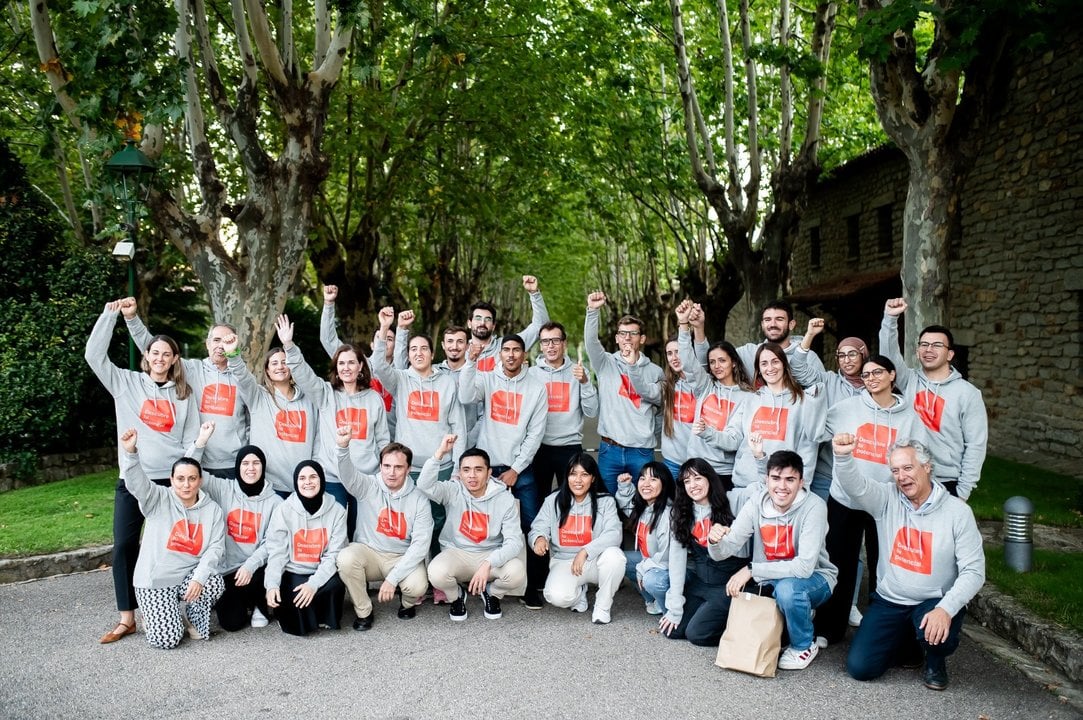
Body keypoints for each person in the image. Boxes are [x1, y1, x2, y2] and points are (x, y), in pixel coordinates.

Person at [85, 300, 202, 644]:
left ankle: (182, 608)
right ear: (146, 357)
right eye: (155, 353)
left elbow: (191, 440)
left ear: (174, 360)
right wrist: (110, 316)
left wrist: (186, 478)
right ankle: (127, 618)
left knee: (175, 546)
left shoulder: (184, 394)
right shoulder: (126, 384)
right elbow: (94, 356)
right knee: (123, 545)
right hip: (134, 481)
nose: (160, 358)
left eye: (167, 354)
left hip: (170, 485)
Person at [833, 435, 985, 691]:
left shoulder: (957, 512)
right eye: (895, 470)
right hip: (890, 601)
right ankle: (908, 645)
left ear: (927, 467)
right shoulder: (886, 499)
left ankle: (935, 661)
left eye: (907, 468)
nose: (901, 476)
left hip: (933, 602)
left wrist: (946, 608)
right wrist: (843, 456)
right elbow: (856, 487)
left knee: (934, 634)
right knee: (861, 668)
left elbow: (974, 571)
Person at [813, 354, 930, 644]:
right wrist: (814, 405)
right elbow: (815, 433)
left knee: (885, 565)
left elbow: (921, 456)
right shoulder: (845, 409)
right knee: (839, 562)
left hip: (888, 502)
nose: (871, 378)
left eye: (877, 372)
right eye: (865, 375)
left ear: (892, 375)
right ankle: (829, 628)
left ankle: (883, 632)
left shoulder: (909, 417)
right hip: (846, 498)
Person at [707, 451, 837, 671]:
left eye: (790, 479)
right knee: (701, 630)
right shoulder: (757, 502)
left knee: (789, 591)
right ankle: (799, 614)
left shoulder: (814, 506)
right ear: (766, 480)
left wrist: (751, 570)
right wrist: (714, 540)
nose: (782, 486)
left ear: (801, 482)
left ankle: (804, 645)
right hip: (768, 579)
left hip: (814, 578)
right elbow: (726, 548)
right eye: (776, 478)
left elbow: (804, 568)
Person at [118, 428, 225, 649]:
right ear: (172, 480)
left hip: (187, 577)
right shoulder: (157, 498)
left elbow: (215, 548)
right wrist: (131, 454)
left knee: (214, 581)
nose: (186, 485)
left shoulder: (212, 509)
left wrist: (199, 578)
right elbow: (137, 483)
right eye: (181, 479)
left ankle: (191, 619)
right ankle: (157, 615)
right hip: (155, 581)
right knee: (167, 640)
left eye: (192, 479)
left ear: (200, 480)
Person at [121, 298, 249, 478]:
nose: (220, 346)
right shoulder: (192, 370)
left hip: (235, 462)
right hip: (200, 461)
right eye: (216, 340)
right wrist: (132, 318)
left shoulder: (242, 376)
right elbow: (157, 349)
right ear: (207, 344)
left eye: (227, 341)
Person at [276, 313, 389, 516]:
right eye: (341, 364)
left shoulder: (374, 399)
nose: (346, 368)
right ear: (336, 368)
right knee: (333, 531)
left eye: (351, 363)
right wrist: (289, 346)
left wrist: (382, 474)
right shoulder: (325, 393)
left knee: (360, 533)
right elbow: (304, 374)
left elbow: (382, 440)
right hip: (331, 477)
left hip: (365, 477)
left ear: (360, 366)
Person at [522, 321, 599, 609]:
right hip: (538, 449)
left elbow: (592, 411)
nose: (550, 346)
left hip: (569, 448)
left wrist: (585, 383)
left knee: (573, 510)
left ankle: (578, 574)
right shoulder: (531, 374)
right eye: (545, 341)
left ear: (564, 343)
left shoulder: (577, 372)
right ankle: (536, 581)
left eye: (555, 340)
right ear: (540, 345)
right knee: (537, 515)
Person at [879, 298, 988, 499]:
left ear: (950, 354)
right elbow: (888, 357)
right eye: (924, 345)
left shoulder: (968, 393)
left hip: (946, 481)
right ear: (918, 350)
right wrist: (890, 319)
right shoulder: (909, 379)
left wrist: (963, 490)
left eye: (937, 345)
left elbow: (976, 445)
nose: (929, 350)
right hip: (907, 476)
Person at [334, 429, 434, 630]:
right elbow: (347, 476)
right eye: (386, 466)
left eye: (398, 467)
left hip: (400, 556)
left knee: (417, 586)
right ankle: (364, 611)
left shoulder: (419, 500)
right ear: (380, 466)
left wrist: (392, 579)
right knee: (345, 558)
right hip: (369, 552)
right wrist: (342, 448)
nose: (391, 472)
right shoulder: (369, 486)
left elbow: (420, 545)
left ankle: (406, 604)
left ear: (408, 469)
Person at [417, 438, 526, 622]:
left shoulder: (504, 498)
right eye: (466, 470)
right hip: (457, 552)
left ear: (489, 472)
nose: (472, 476)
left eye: (478, 469)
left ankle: (492, 593)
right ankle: (457, 596)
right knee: (436, 572)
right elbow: (424, 486)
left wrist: (488, 563)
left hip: (490, 554)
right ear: (459, 473)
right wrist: (439, 454)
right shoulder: (453, 490)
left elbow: (514, 541)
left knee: (516, 572)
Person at [457, 333, 547, 534]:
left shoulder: (536, 388)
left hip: (521, 470)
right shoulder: (488, 379)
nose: (511, 355)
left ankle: (535, 567)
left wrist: (515, 469)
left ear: (524, 355)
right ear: (500, 354)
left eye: (516, 350)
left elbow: (535, 434)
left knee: (531, 525)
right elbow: (465, 396)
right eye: (506, 350)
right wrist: (471, 361)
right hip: (487, 469)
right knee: (489, 528)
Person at [660, 459, 749, 646]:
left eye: (698, 478)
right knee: (674, 631)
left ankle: (742, 627)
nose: (693, 485)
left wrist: (759, 458)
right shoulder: (682, 513)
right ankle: (713, 616)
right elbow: (677, 561)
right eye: (687, 481)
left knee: (697, 634)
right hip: (701, 583)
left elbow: (759, 490)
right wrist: (675, 607)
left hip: (728, 584)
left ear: (710, 479)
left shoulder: (733, 501)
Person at [528, 454, 626, 624]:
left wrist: (585, 551)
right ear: (566, 476)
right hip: (564, 561)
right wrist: (539, 539)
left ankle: (602, 606)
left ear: (593, 478)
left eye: (584, 474)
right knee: (555, 596)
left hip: (596, 561)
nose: (578, 480)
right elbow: (538, 527)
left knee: (615, 557)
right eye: (573, 474)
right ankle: (579, 593)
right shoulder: (554, 500)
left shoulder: (605, 501)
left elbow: (614, 533)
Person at [583, 291, 664, 494]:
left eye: (633, 333)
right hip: (610, 449)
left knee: (644, 503)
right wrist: (593, 311)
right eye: (622, 333)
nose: (627, 337)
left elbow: (658, 400)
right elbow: (591, 343)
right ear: (617, 338)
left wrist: (647, 434)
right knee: (608, 503)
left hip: (641, 451)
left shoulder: (655, 371)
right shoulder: (605, 363)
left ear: (642, 339)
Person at [713, 343, 826, 487]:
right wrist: (707, 433)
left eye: (775, 362)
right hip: (745, 483)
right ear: (759, 370)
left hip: (782, 487)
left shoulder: (802, 401)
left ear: (784, 365)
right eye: (764, 363)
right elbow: (733, 437)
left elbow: (808, 448)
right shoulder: (750, 399)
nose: (770, 368)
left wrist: (802, 487)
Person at [201, 440, 283, 632]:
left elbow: (271, 543)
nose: (251, 468)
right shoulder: (224, 489)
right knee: (232, 623)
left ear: (263, 467)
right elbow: (194, 468)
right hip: (229, 570)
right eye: (245, 463)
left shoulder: (275, 502)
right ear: (238, 467)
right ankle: (243, 601)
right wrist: (201, 442)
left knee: (271, 565)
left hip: (256, 569)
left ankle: (259, 604)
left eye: (256, 463)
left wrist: (250, 566)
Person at [371, 307, 466, 474]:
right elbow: (378, 366)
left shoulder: (447, 382)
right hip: (407, 467)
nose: (419, 353)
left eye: (424, 349)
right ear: (408, 355)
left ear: (432, 353)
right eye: (413, 349)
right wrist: (384, 327)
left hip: (441, 467)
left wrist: (457, 469)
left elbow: (458, 427)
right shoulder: (400, 380)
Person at [224, 332, 317, 495]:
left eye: (284, 362)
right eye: (274, 363)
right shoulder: (258, 396)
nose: (280, 366)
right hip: (270, 486)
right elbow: (242, 377)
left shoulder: (309, 400)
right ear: (267, 370)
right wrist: (233, 354)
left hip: (304, 484)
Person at [263, 460, 348, 636]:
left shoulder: (337, 511)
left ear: (321, 480)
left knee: (334, 585)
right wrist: (271, 584)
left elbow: (333, 555)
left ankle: (324, 617)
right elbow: (277, 552)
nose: (308, 482)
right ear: (296, 482)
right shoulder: (284, 510)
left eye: (313, 477)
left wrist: (313, 584)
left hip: (320, 570)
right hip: (293, 570)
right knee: (296, 605)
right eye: (302, 478)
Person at [615, 462, 675, 616]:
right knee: (619, 559)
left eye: (653, 479)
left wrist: (641, 569)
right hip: (650, 561)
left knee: (652, 580)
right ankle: (652, 600)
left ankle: (669, 610)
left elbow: (666, 558)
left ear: (665, 483)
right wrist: (624, 487)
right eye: (642, 479)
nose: (646, 484)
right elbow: (629, 507)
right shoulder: (647, 507)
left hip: (667, 567)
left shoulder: (668, 514)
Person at [465, 275, 550, 372]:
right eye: (478, 318)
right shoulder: (459, 350)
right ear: (469, 323)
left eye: (488, 319)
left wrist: (534, 294)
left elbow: (541, 326)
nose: (482, 323)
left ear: (493, 326)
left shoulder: (509, 345)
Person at [735, 299, 825, 381]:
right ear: (762, 325)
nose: (772, 324)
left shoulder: (809, 358)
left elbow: (822, 390)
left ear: (791, 324)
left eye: (779, 319)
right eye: (767, 320)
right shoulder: (749, 353)